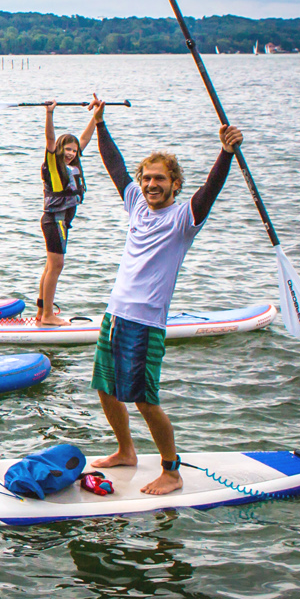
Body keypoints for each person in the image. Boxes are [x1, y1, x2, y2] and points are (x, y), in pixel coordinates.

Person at [86, 96, 239, 496]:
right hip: (115, 314)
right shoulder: (136, 204)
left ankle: (171, 470)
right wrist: (100, 124)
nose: (151, 185)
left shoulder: (183, 218)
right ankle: (126, 450)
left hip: (146, 322)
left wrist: (225, 153)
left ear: (175, 184)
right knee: (105, 387)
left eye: (160, 179)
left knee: (144, 399)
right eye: (147, 179)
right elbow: (115, 166)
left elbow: (210, 190)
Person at [33, 101, 100, 326]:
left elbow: (85, 139)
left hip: (59, 222)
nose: (71, 153)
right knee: (56, 266)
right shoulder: (53, 163)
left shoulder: (73, 163)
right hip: (54, 221)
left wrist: (96, 116)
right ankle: (48, 315)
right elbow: (50, 139)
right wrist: (49, 113)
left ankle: (41, 311)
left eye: (73, 150)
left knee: (50, 266)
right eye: (67, 149)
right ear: (59, 149)